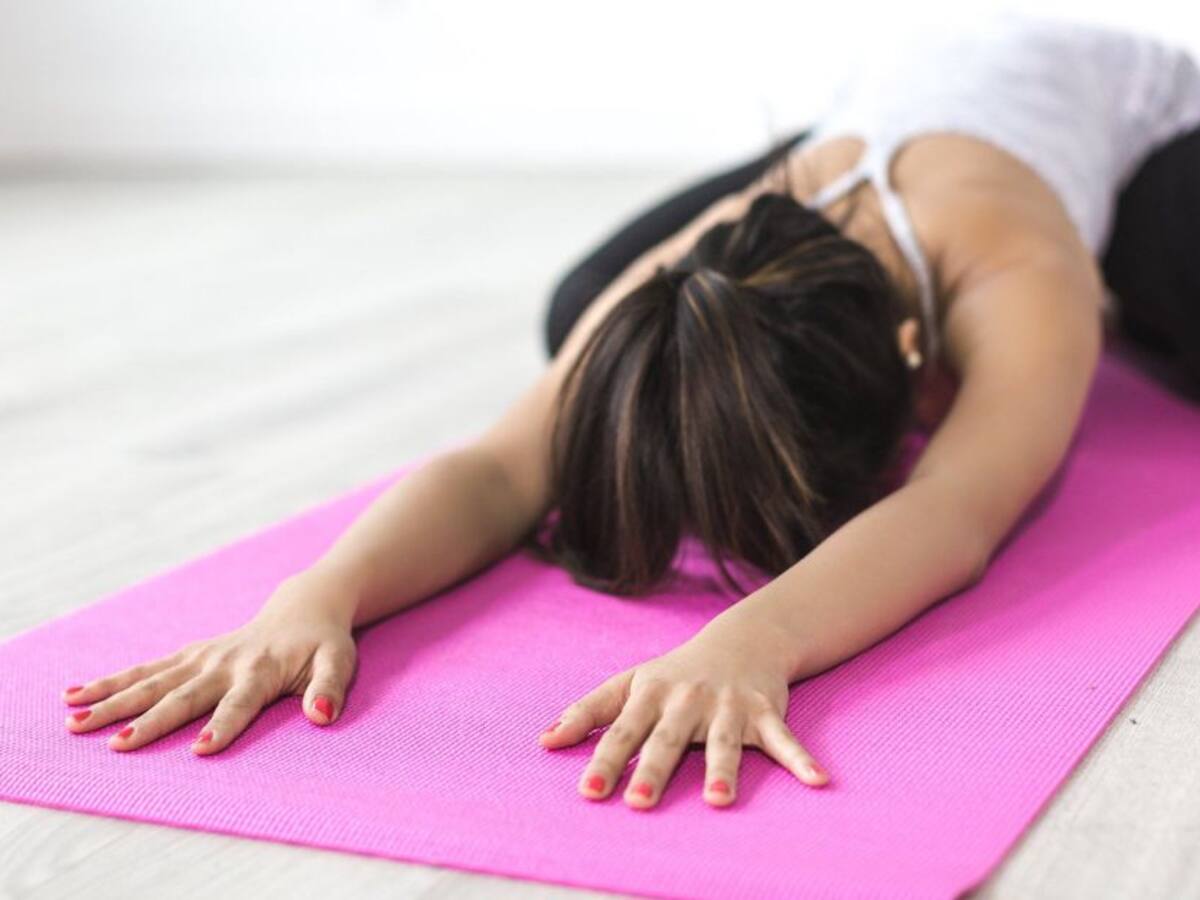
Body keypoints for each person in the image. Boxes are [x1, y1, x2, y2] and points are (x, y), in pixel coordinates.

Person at [61, 12, 1200, 810]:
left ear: (917, 375)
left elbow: (957, 509)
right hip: (866, 127)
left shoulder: (1020, 269)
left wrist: (753, 640)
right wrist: (317, 597)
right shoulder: (720, 252)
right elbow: (504, 467)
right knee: (586, 320)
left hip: (1136, 119)